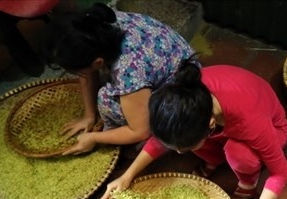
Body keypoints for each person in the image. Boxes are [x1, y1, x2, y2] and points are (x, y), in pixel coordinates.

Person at [99, 60, 287, 199]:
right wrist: (127, 175)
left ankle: (248, 183)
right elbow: (162, 140)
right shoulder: (184, 100)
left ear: (211, 124)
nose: (180, 153)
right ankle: (214, 160)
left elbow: (280, 173)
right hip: (221, 126)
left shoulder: (250, 122)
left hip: (272, 127)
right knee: (186, 142)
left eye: (185, 147)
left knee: (237, 152)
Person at [43, 2, 195, 155]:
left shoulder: (128, 71)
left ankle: (162, 136)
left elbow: (140, 131)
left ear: (98, 62)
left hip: (184, 88)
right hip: (176, 57)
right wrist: (88, 115)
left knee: (106, 101)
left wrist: (94, 138)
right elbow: (87, 69)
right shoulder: (99, 23)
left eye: (77, 70)